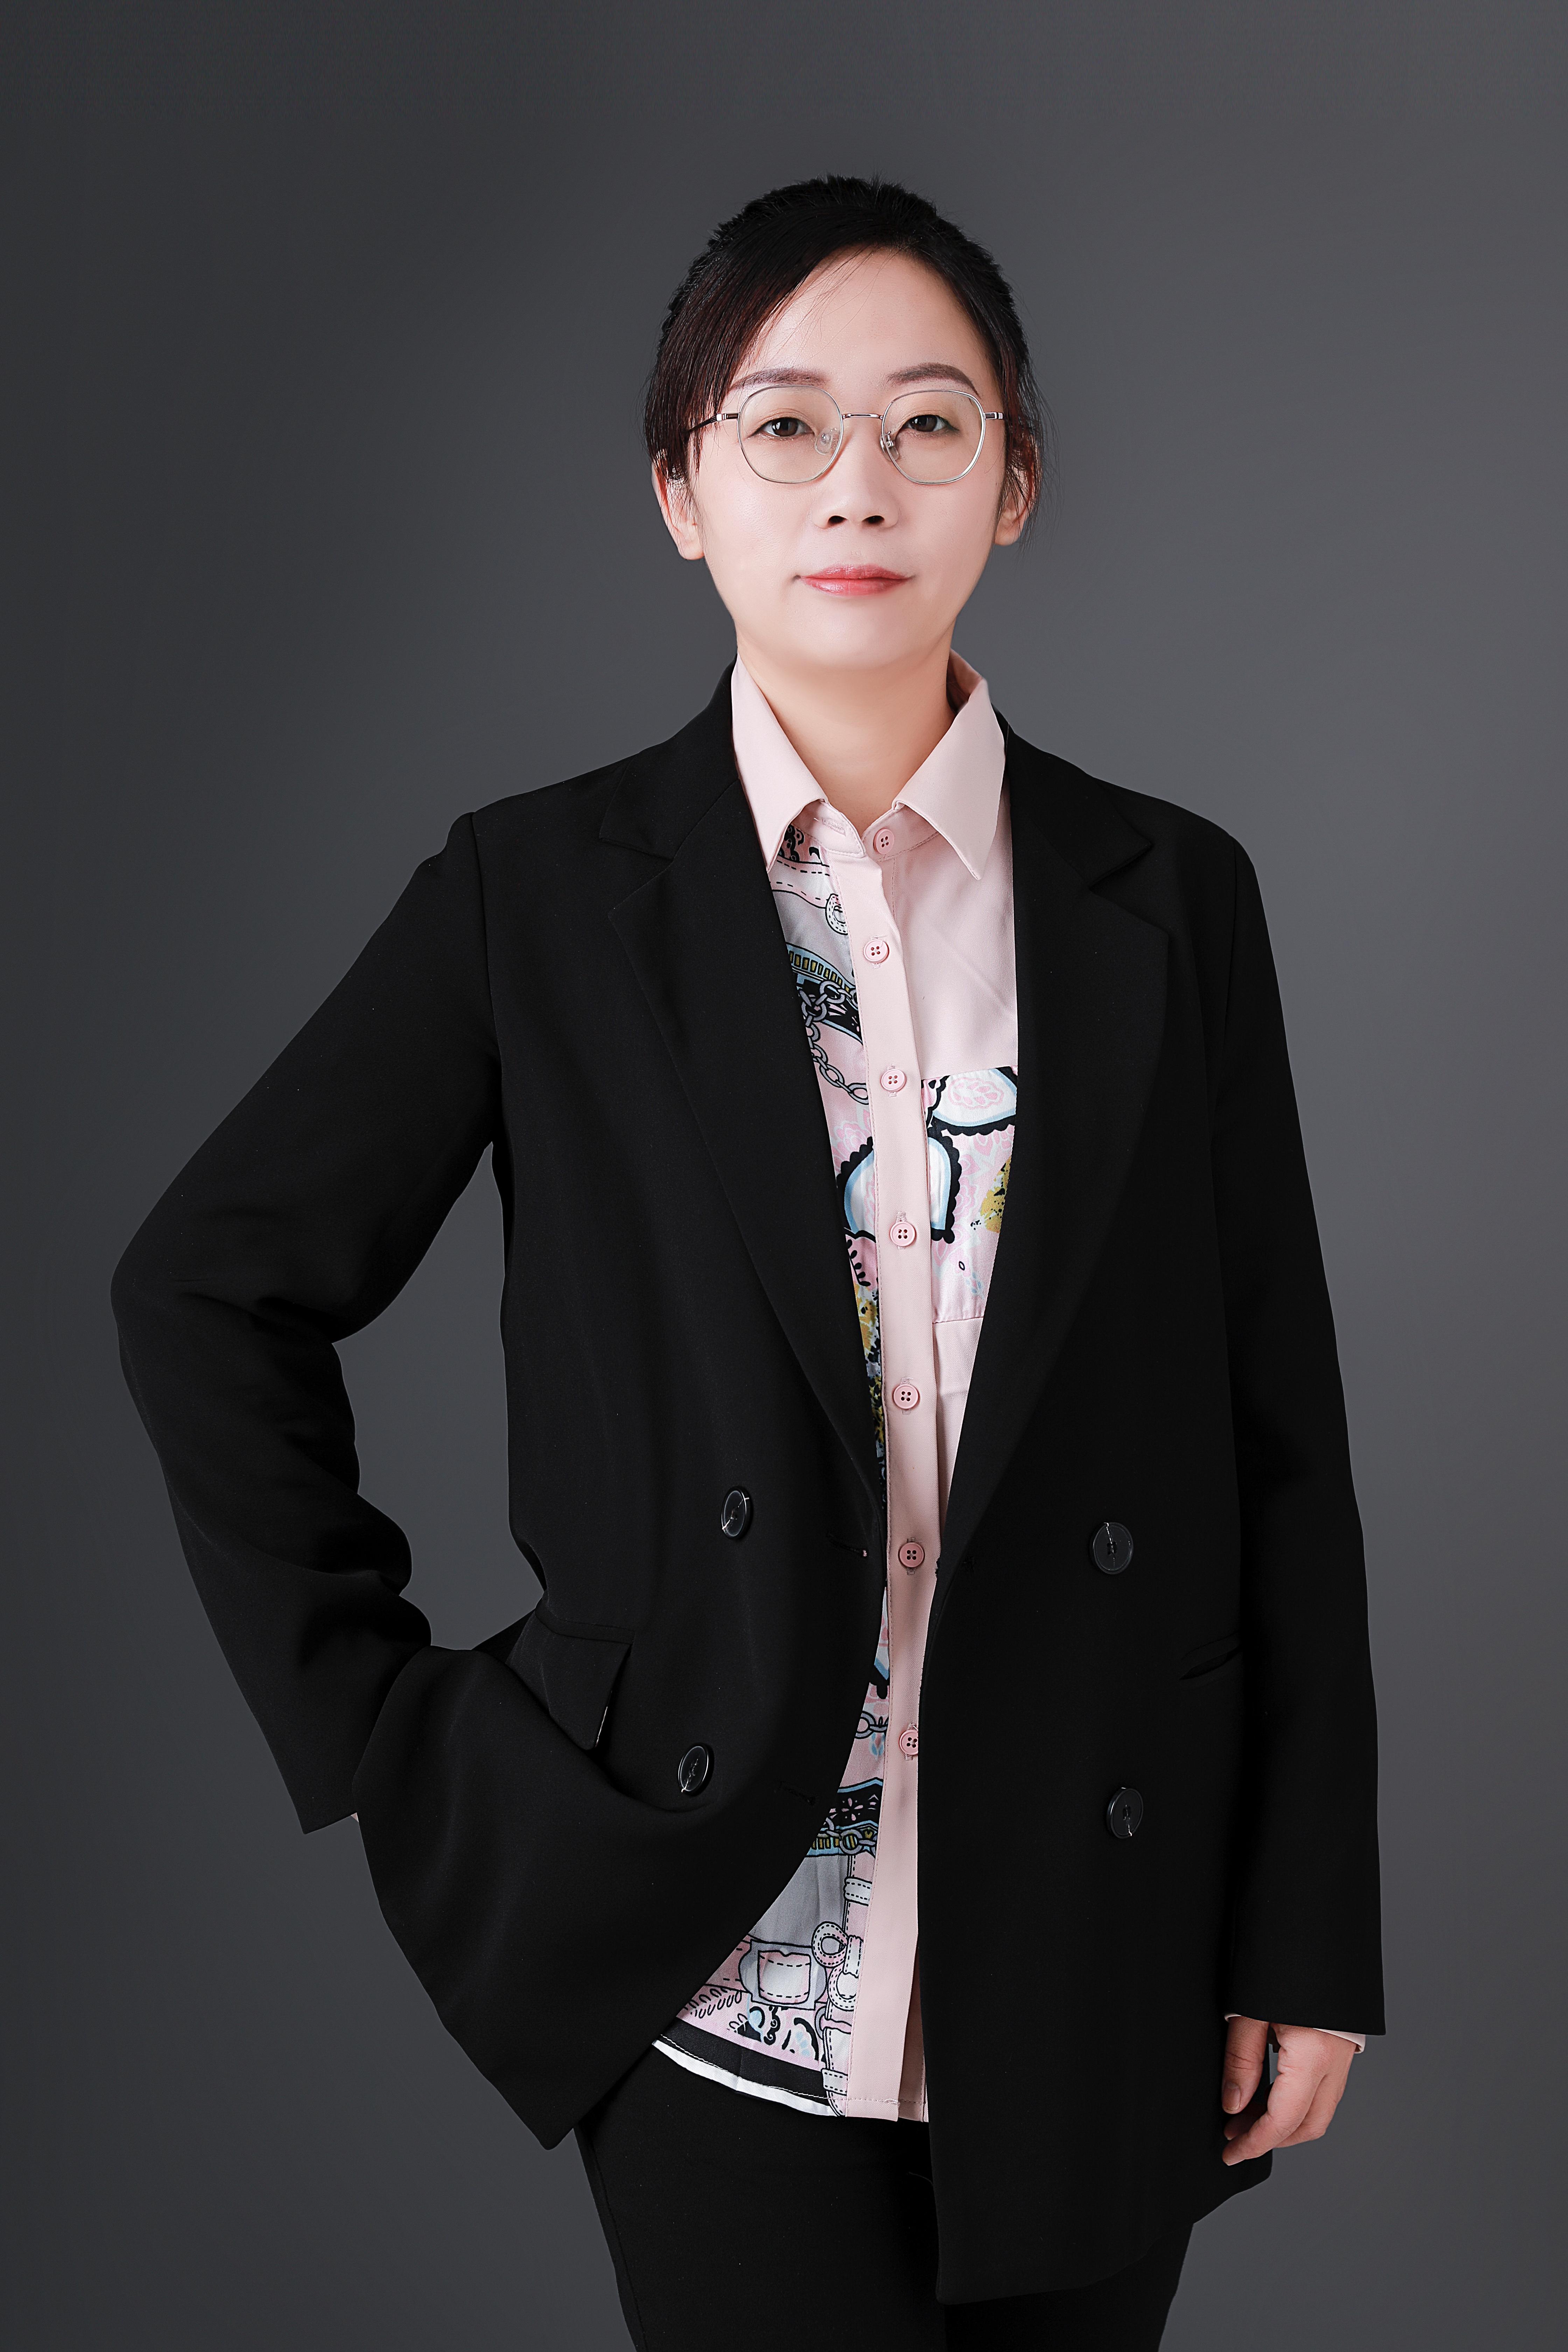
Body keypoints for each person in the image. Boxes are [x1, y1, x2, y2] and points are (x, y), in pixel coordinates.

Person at [111, 176, 1384, 2349]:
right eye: (783, 425)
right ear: (680, 492)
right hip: (707, 1965)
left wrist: (1311, 1929)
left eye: (928, 423)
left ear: (1015, 482)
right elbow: (207, 1290)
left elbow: (1278, 1436)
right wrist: (386, 1725)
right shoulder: (539, 897)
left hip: (1107, 1942)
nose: (858, 484)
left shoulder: (1173, 899)